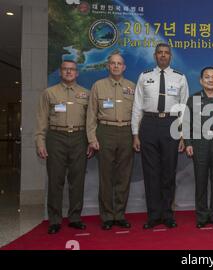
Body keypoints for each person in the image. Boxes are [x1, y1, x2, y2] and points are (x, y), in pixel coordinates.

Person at [131, 43, 189, 229]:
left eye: (166, 53)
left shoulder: (180, 77)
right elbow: (137, 107)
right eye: (160, 53)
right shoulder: (145, 76)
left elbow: (184, 108)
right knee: (151, 173)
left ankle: (167, 214)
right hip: (148, 124)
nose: (163, 56)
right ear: (155, 55)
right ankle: (153, 215)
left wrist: (182, 135)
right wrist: (135, 134)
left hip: (171, 124)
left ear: (170, 56)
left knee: (168, 172)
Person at [35, 60, 93, 234]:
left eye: (72, 70)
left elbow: (91, 121)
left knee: (77, 180)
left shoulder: (86, 94)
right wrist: (40, 141)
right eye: (65, 69)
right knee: (55, 180)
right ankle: (54, 219)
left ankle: (75, 217)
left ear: (77, 73)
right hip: (56, 137)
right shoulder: (49, 93)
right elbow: (41, 119)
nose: (69, 72)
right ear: (60, 72)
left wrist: (91, 140)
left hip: (79, 138)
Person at [86, 52, 136, 230]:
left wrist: (136, 136)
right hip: (105, 131)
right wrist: (92, 138)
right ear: (108, 66)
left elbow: (138, 114)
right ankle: (107, 216)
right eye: (113, 63)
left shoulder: (132, 86)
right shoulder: (98, 86)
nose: (116, 66)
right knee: (106, 177)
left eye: (119, 63)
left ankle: (120, 214)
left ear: (124, 67)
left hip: (126, 132)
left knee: (124, 176)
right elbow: (91, 114)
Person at [184, 67, 213, 228]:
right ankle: (202, 216)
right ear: (201, 80)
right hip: (200, 144)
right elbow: (186, 123)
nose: (210, 80)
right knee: (201, 180)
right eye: (207, 77)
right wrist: (188, 143)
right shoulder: (194, 99)